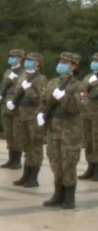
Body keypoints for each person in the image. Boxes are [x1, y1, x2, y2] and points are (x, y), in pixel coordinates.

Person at [39, 52, 83, 209]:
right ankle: (58, 193)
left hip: (69, 131)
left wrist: (63, 97)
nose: (62, 64)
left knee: (68, 163)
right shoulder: (53, 82)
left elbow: (76, 107)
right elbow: (44, 101)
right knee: (55, 161)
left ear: (74, 66)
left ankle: (69, 197)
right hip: (53, 129)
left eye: (66, 62)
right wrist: (40, 113)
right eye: (61, 61)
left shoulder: (79, 86)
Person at [8, 52, 48, 187]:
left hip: (33, 115)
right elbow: (17, 93)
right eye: (27, 60)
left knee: (35, 147)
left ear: (38, 63)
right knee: (26, 146)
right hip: (22, 115)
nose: (28, 62)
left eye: (31, 60)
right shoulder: (23, 76)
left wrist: (28, 89)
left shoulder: (41, 79)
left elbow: (40, 99)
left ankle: (33, 177)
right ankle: (26, 174)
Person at [0, 49, 25, 169]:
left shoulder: (24, 72)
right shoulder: (8, 71)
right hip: (5, 103)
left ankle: (17, 160)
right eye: (10, 56)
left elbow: (23, 88)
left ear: (20, 59)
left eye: (14, 56)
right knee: (8, 133)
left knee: (17, 133)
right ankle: (11, 158)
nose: (11, 58)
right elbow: (3, 85)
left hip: (16, 105)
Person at [79, 53, 98, 181]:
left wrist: (94, 85)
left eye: (96, 60)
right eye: (93, 60)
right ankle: (90, 167)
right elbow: (83, 92)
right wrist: (84, 99)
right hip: (87, 113)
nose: (94, 62)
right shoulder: (88, 76)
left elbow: (94, 94)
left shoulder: (93, 79)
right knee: (89, 141)